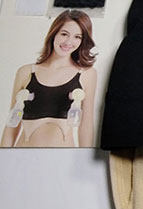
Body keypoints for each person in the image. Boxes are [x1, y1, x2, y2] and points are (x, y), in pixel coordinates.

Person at [1, 10, 97, 147]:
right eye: (64, 34)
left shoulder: (87, 74)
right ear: (54, 34)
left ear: (83, 41)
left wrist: (84, 158)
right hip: (23, 154)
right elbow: (11, 125)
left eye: (77, 37)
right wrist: (3, 156)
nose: (69, 42)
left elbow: (86, 124)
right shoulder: (25, 72)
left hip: (63, 156)